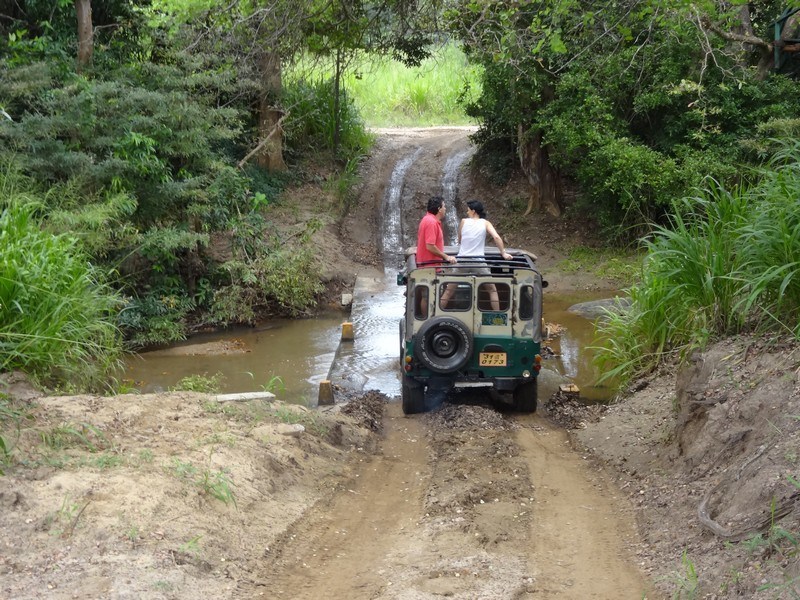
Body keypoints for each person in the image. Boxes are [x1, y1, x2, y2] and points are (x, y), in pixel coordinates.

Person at [442, 200, 513, 310]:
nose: (467, 212)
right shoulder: (485, 223)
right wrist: (503, 253)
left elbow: (460, 240)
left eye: (468, 210)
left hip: (462, 261)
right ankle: (498, 318)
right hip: (479, 263)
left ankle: (435, 316)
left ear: (473, 211)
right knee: (492, 290)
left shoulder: (463, 222)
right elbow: (497, 237)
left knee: (449, 291)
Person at [416, 195, 457, 266]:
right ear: (439, 209)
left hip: (428, 267)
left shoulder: (427, 219)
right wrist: (446, 257)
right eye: (444, 206)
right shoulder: (431, 222)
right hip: (429, 268)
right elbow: (430, 246)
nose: (445, 208)